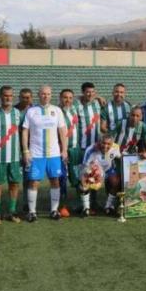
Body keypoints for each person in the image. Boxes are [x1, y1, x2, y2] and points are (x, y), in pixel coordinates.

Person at [21, 85, 68, 222]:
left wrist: (64, 150)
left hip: (54, 154)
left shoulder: (57, 111)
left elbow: (62, 131)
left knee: (55, 181)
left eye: (48, 94)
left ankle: (54, 210)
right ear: (38, 95)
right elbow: (25, 131)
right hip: (36, 154)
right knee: (34, 182)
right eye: (43, 94)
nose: (45, 96)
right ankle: (32, 212)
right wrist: (25, 151)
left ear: (51, 95)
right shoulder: (31, 111)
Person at [0, 86, 23, 224]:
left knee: (14, 184)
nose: (8, 98)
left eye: (10, 96)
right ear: (0, 96)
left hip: (15, 157)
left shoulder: (18, 114)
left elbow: (22, 132)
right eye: (5, 95)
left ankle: (12, 212)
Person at [76, 82, 103, 211]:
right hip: (82, 147)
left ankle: (94, 201)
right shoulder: (77, 105)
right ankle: (82, 204)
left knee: (95, 174)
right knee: (82, 176)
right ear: (82, 92)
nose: (90, 94)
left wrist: (99, 98)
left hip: (95, 147)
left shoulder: (98, 104)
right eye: (87, 92)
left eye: (93, 92)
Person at [83, 134, 122, 216]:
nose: (105, 146)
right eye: (103, 143)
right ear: (99, 142)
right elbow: (85, 167)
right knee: (85, 181)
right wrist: (93, 175)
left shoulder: (115, 148)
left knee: (116, 181)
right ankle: (86, 208)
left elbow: (120, 157)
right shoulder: (91, 150)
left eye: (108, 144)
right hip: (94, 172)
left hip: (108, 171)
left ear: (112, 144)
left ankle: (108, 207)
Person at [58, 89, 80, 217]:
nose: (68, 100)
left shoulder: (74, 109)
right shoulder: (56, 111)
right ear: (60, 98)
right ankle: (62, 206)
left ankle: (81, 204)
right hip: (62, 151)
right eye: (65, 97)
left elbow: (87, 97)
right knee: (62, 179)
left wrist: (98, 97)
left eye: (70, 98)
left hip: (75, 149)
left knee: (77, 177)